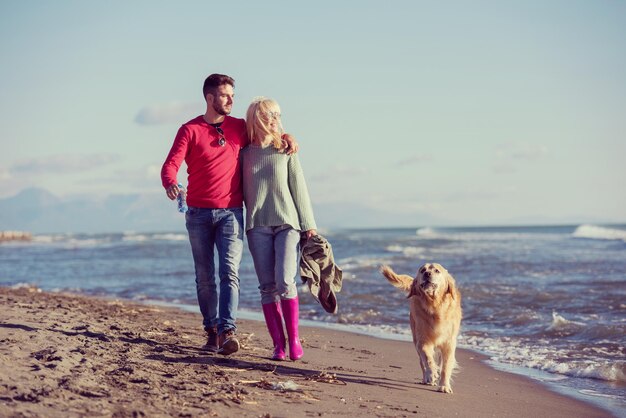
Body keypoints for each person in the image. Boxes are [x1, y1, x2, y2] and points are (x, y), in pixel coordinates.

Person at [161, 74, 296, 356]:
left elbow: (265, 133)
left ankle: (227, 330)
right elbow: (171, 164)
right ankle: (211, 331)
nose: (231, 100)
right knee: (205, 276)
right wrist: (171, 183)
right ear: (210, 98)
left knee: (230, 273)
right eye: (225, 95)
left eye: (233, 95)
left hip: (231, 214)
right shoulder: (190, 130)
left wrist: (286, 136)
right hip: (197, 213)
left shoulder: (239, 127)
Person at [242, 97, 317, 361]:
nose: (275, 119)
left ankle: (294, 339)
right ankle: (279, 345)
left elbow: (299, 187)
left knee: (286, 281)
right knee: (267, 287)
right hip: (257, 226)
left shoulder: (285, 149)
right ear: (257, 118)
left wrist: (309, 225)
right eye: (269, 115)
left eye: (277, 114)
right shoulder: (243, 152)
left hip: (288, 224)